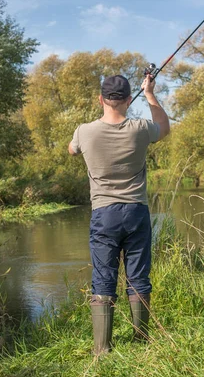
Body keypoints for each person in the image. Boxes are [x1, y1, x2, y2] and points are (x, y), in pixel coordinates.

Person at [68, 74, 170, 355]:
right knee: (138, 277)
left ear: (101, 99)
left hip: (104, 214)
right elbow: (164, 127)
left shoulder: (83, 131)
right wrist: (149, 94)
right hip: (136, 212)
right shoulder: (140, 128)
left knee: (103, 278)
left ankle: (102, 349)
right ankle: (141, 340)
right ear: (128, 100)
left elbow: (72, 150)